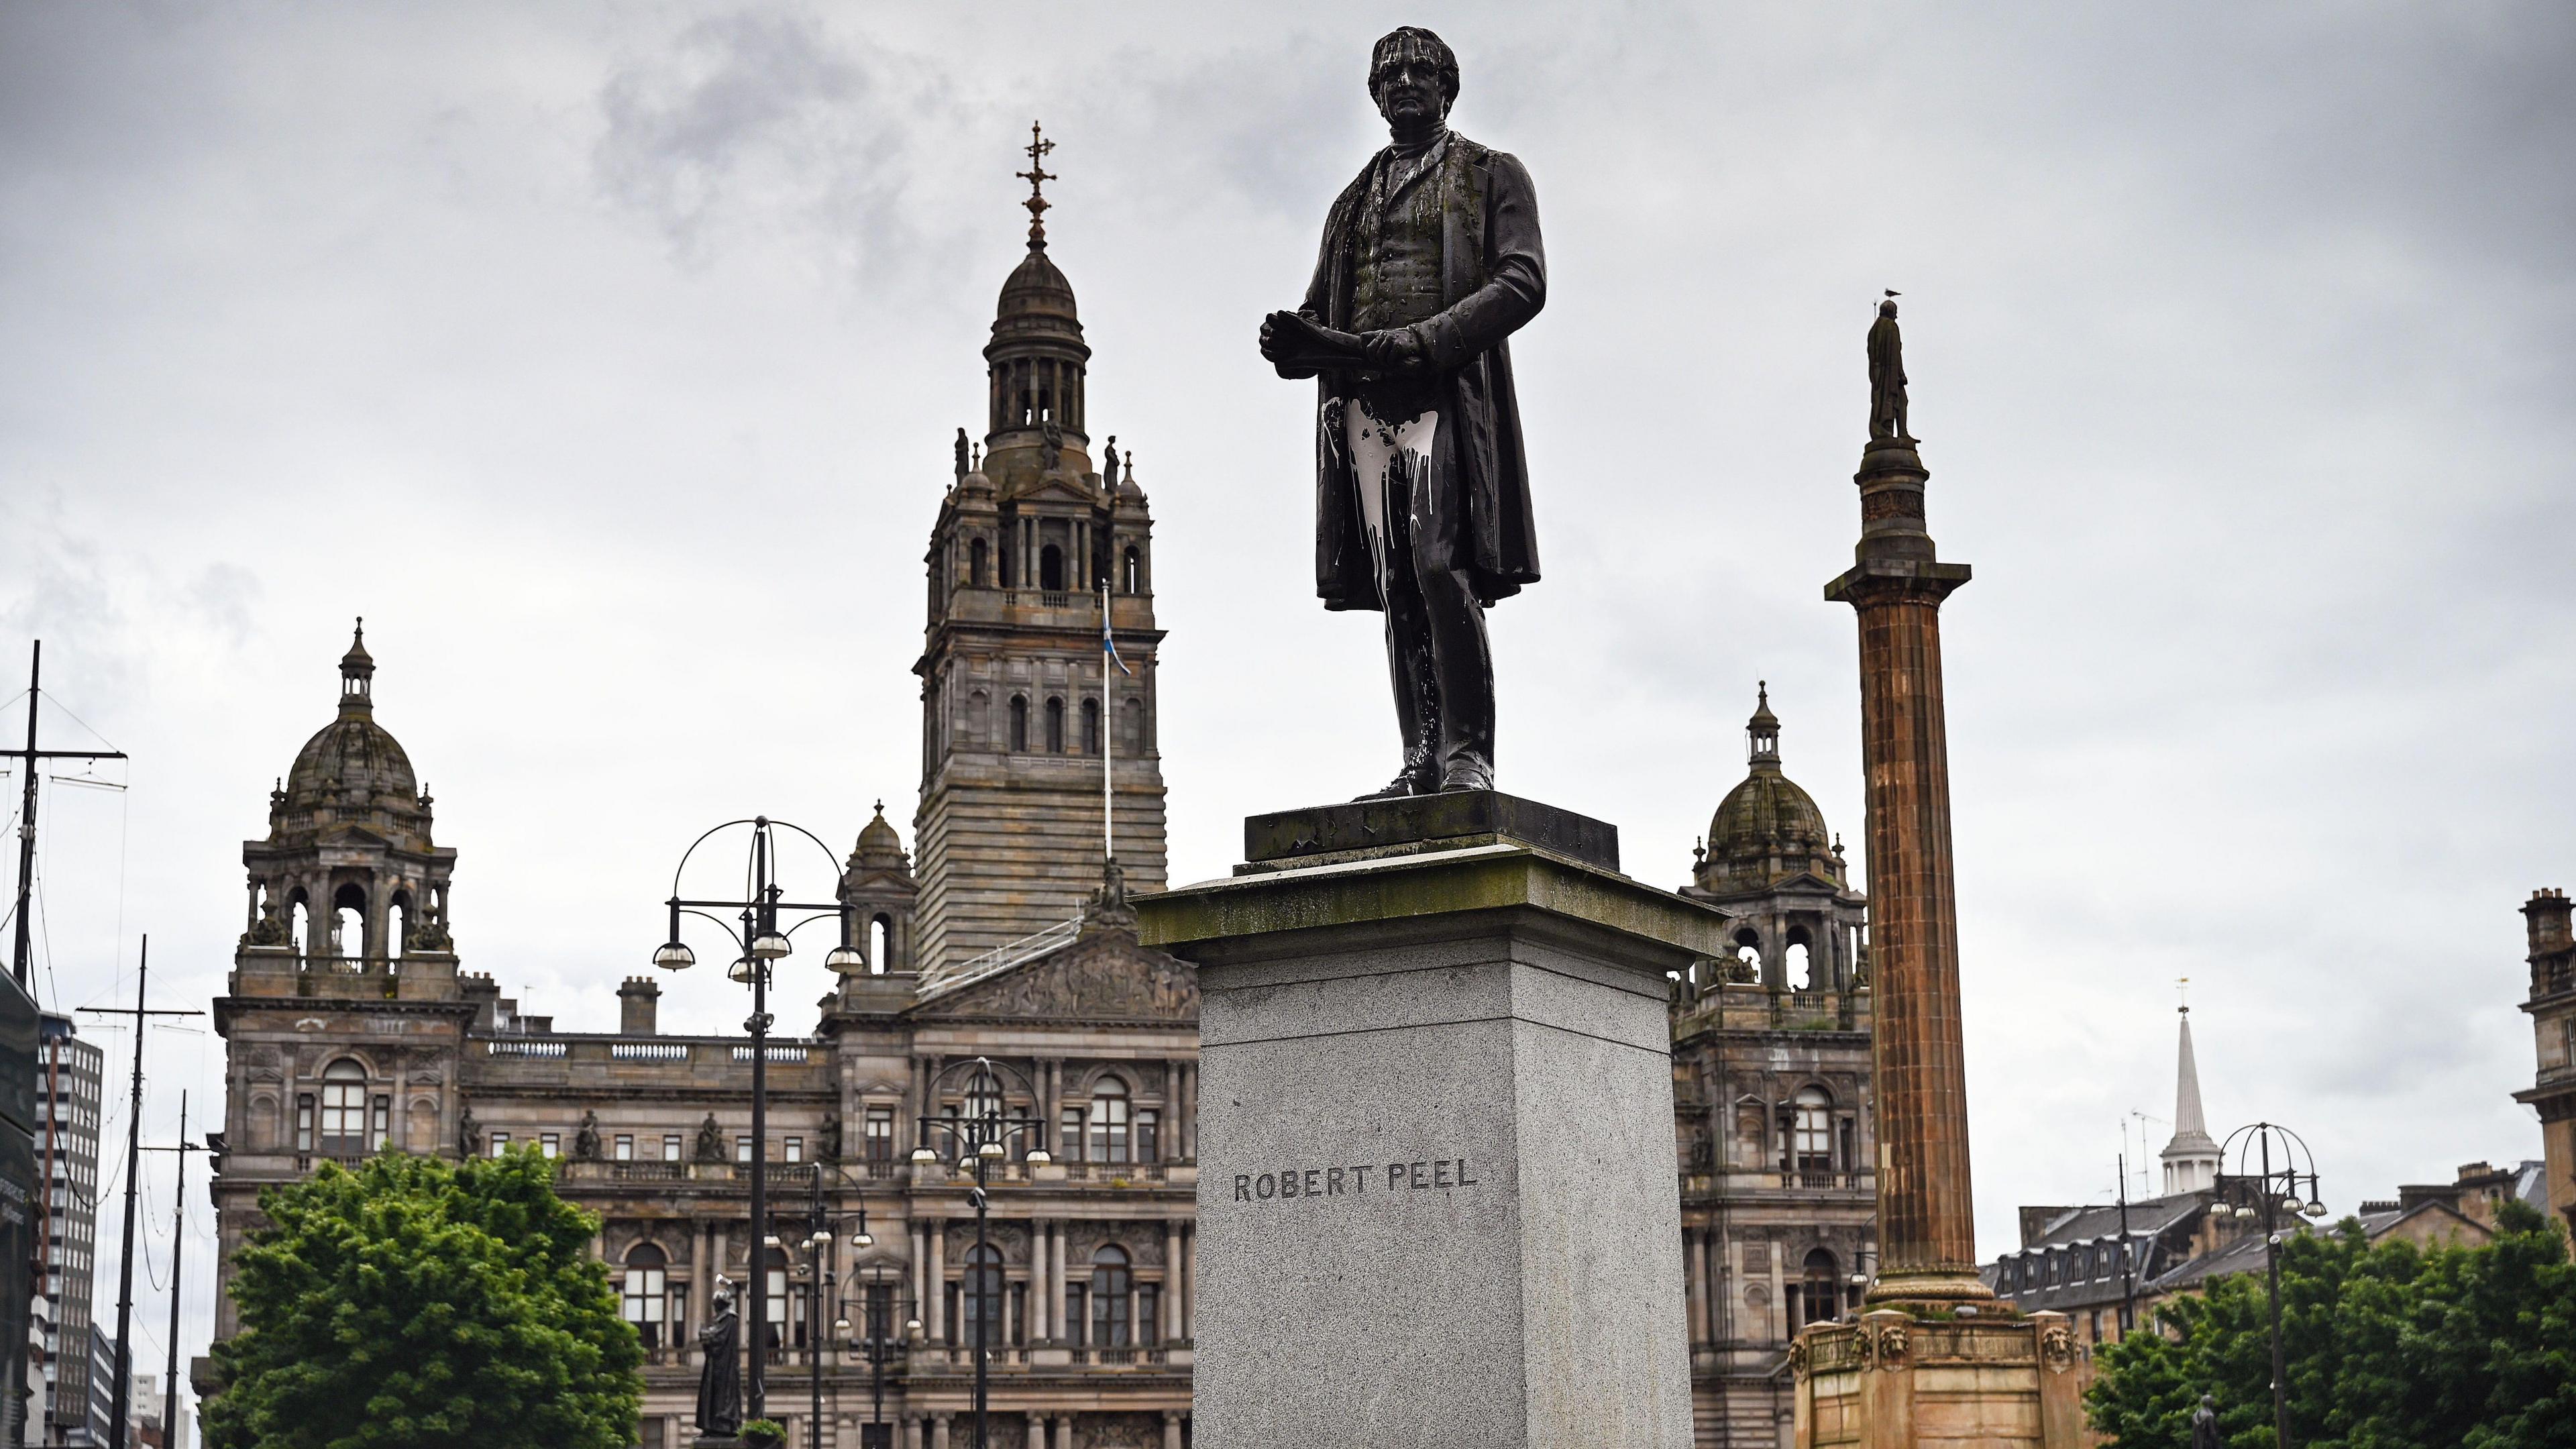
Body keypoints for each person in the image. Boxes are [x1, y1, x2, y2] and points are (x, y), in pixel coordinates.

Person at [1260, 25, 1544, 797]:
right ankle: (1419, 757)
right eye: (1390, 74)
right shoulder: (1351, 202)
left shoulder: (1489, 174)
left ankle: (1467, 755)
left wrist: (1430, 340)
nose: (1406, 82)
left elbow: (1523, 283)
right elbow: (1324, 309)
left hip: (1443, 397)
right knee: (1395, 581)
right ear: (1375, 95)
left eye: (1422, 70)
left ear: (1448, 87)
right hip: (1363, 411)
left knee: (1438, 567)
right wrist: (1292, 342)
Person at [696, 1280, 743, 1436]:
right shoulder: (722, 1319)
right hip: (715, 1365)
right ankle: (711, 1426)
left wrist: (706, 1334)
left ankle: (722, 1426)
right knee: (710, 1395)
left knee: (721, 1397)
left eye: (716, 1304)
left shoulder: (729, 1319)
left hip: (723, 1367)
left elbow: (719, 1338)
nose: (715, 1307)